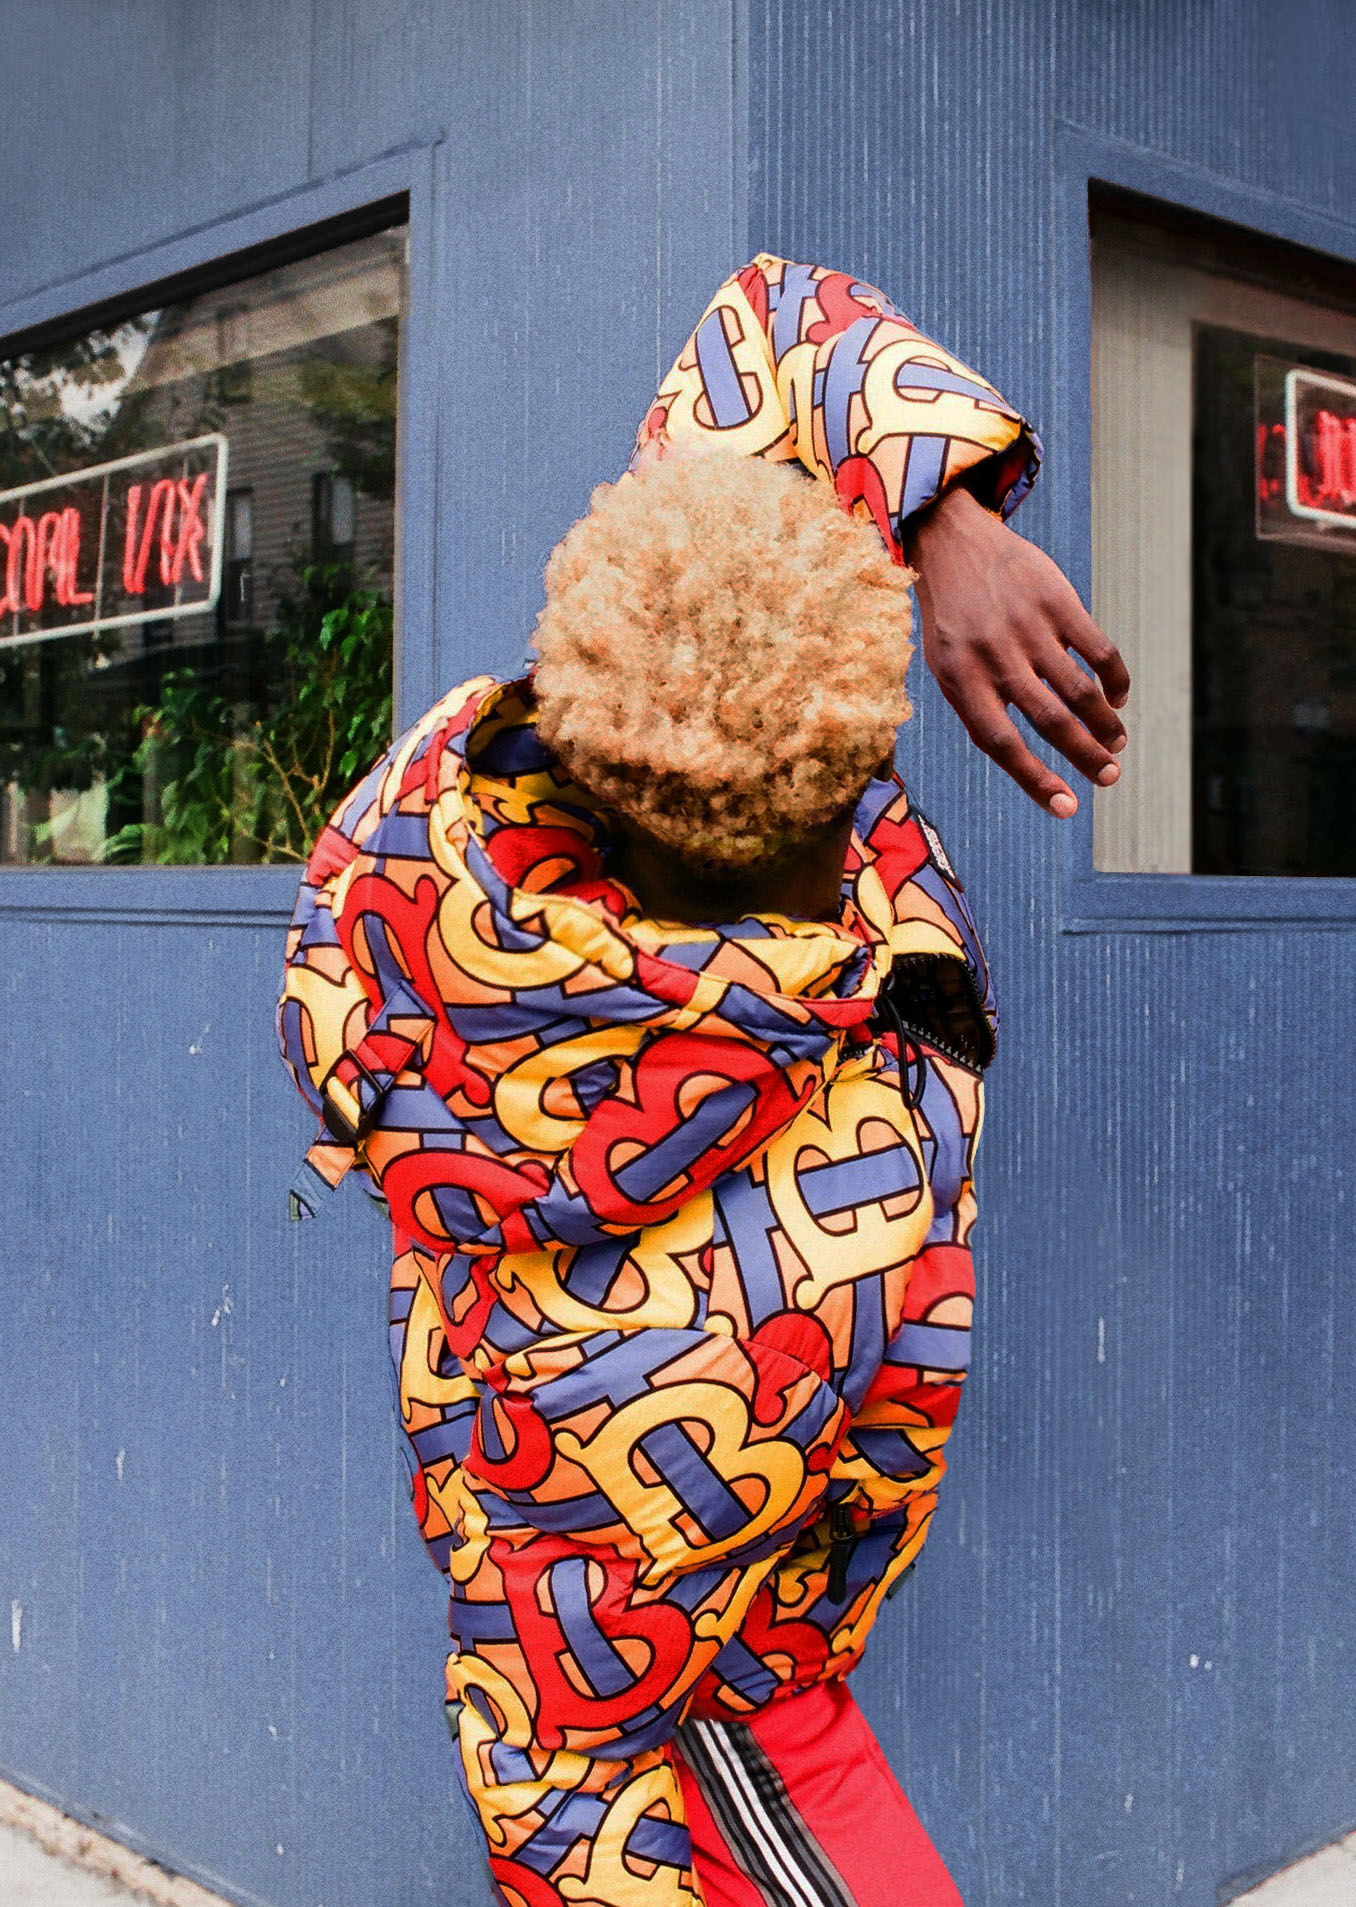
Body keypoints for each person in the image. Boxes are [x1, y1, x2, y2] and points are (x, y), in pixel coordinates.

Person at [278, 255, 1128, 1907]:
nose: (884, 828)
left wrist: (938, 509)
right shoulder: (741, 1300)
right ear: (769, 841)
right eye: (853, 798)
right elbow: (658, 1717)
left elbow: (768, 321)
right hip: (675, 1739)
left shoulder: (444, 843)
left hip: (604, 1662)